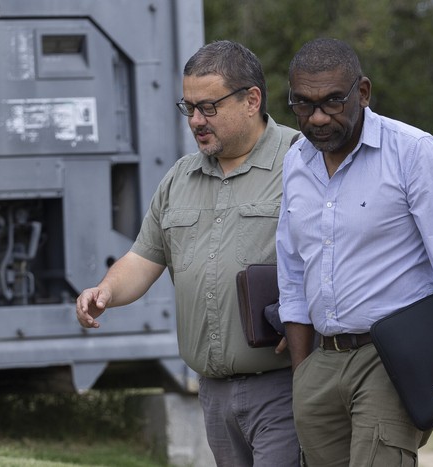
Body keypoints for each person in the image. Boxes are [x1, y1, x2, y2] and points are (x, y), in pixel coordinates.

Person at [76, 40, 300, 467]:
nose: (196, 120)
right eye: (189, 107)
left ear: (251, 99)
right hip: (213, 394)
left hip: (282, 386)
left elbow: (336, 255)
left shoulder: (301, 162)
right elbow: (143, 259)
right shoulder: (180, 177)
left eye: (209, 107)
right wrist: (104, 291)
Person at [276, 37, 433, 466]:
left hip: (390, 359)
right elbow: (292, 271)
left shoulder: (415, 153)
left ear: (363, 92)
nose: (317, 117)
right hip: (322, 363)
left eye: (332, 102)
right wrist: (302, 373)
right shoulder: (296, 161)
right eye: (302, 104)